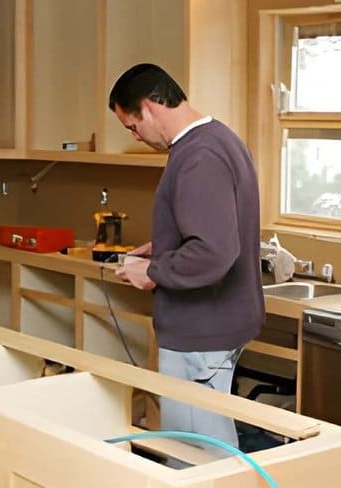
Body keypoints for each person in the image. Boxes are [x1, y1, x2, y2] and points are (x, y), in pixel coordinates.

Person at [109, 62, 262, 451]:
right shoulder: (217, 139)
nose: (136, 136)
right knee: (205, 449)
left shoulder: (200, 156)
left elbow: (213, 252)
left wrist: (155, 271)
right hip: (211, 327)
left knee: (196, 458)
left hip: (201, 333)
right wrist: (162, 246)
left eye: (132, 126)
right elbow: (211, 231)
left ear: (148, 107)